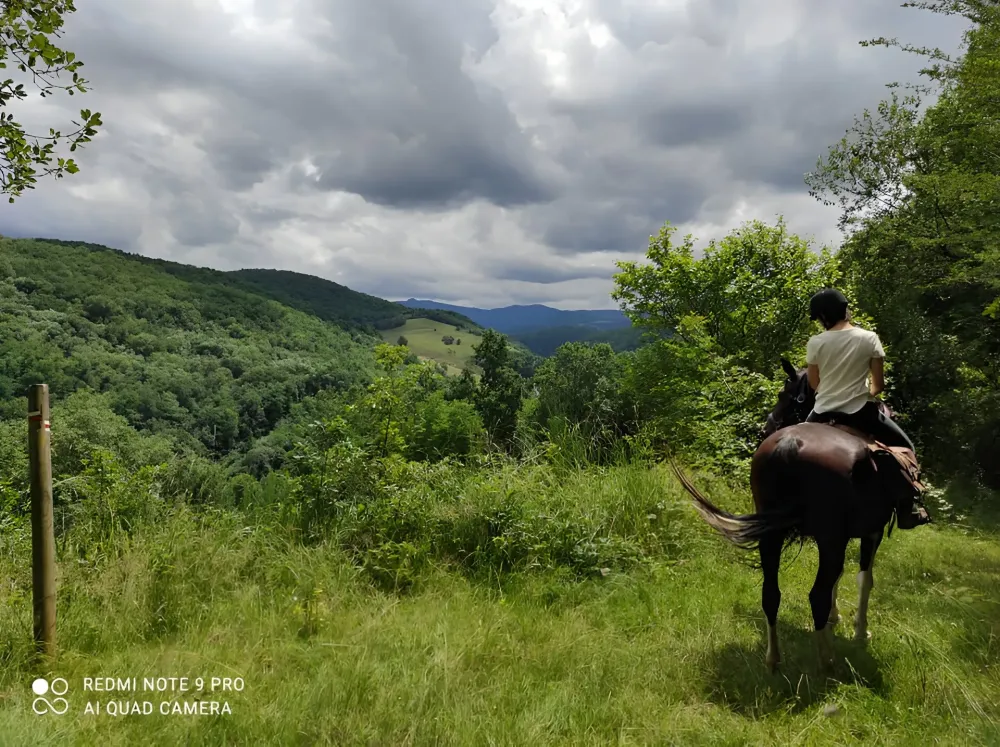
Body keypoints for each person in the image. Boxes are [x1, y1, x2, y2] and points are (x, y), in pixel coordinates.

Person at [804, 288, 929, 527]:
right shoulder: (869, 338)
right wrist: (862, 393)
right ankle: (907, 509)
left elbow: (813, 384)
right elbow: (878, 385)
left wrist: (831, 393)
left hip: (821, 411)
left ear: (823, 317)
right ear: (844, 310)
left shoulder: (816, 342)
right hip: (860, 410)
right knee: (906, 447)